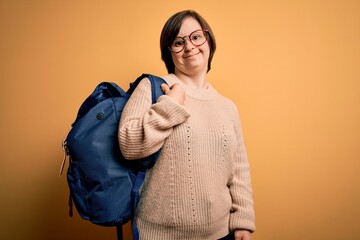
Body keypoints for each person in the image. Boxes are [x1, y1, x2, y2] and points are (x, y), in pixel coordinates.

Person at [118, 10, 255, 240]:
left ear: (208, 40)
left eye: (196, 37)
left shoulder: (227, 106)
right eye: (178, 42)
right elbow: (129, 145)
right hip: (159, 236)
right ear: (168, 52)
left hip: (222, 235)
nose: (189, 46)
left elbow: (239, 170)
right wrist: (171, 105)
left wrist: (243, 221)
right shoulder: (151, 87)